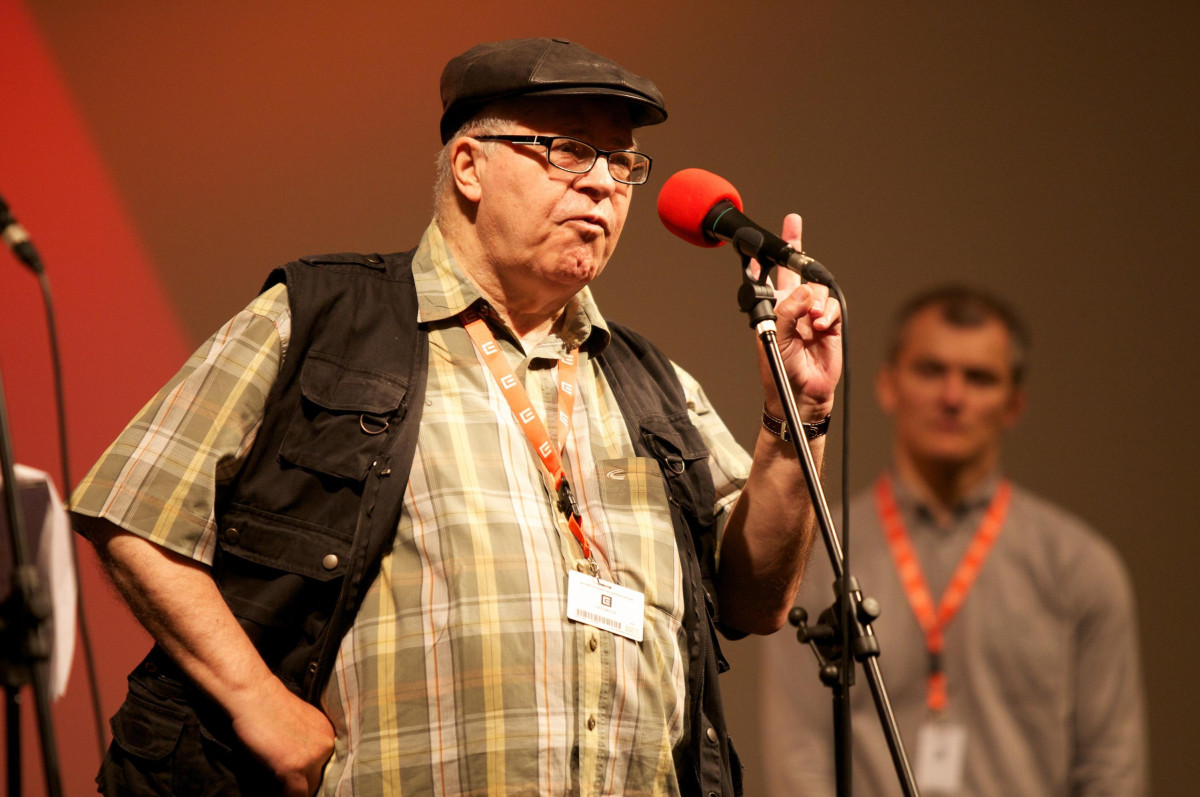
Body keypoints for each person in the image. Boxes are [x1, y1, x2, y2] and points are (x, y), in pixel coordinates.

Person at [70, 38, 842, 796]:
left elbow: (757, 599)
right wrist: (256, 698)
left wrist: (796, 419)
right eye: (572, 150)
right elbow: (132, 504)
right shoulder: (323, 319)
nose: (603, 183)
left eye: (622, 162)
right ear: (470, 167)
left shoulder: (653, 383)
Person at [759, 285, 1146, 796]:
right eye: (931, 370)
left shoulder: (1080, 568)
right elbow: (798, 758)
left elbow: (1111, 769)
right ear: (888, 386)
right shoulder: (822, 553)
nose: (952, 397)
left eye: (979, 378)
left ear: (1014, 404)